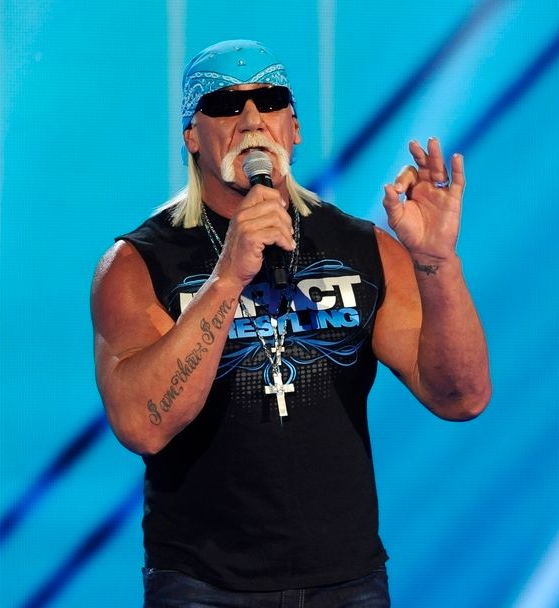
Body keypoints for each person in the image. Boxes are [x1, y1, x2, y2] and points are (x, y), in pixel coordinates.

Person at [91, 39, 491, 607]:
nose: (252, 119)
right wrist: (226, 279)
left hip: (347, 583)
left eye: (271, 100)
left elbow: (461, 397)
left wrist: (436, 262)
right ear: (192, 137)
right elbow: (143, 426)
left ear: (294, 128)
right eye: (225, 105)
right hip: (203, 587)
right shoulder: (137, 264)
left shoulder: (363, 249)